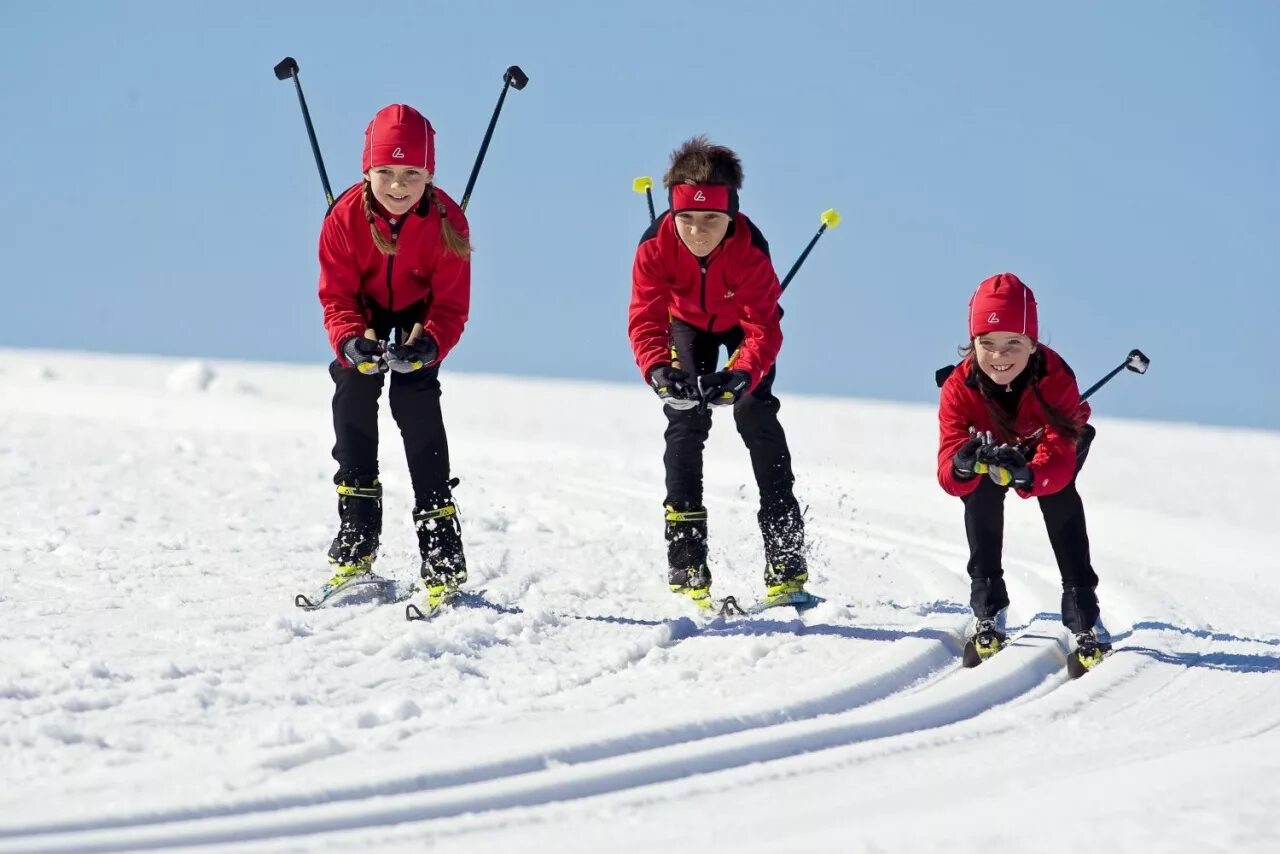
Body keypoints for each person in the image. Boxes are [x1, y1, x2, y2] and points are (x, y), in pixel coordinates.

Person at [627, 136, 808, 610]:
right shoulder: (654, 246)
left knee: (756, 416)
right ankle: (687, 558)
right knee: (685, 419)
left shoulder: (751, 250)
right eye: (686, 218)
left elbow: (763, 328)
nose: (698, 231)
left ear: (732, 214)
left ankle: (785, 559)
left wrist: (743, 373)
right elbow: (645, 319)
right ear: (671, 213)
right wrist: (657, 371)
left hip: (741, 329)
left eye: (711, 218)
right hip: (685, 325)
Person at [316, 103, 471, 608]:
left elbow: (450, 304)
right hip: (362, 317)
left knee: (416, 402)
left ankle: (441, 545)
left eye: (412, 173)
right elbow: (336, 296)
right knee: (353, 389)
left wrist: (429, 344)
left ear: (429, 174)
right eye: (386, 172)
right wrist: (348, 340)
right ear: (367, 170)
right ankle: (358, 533)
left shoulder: (449, 220)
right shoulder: (343, 216)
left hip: (418, 322)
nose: (398, 185)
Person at [936, 272, 1110, 671]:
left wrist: (1029, 475)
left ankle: (1084, 615)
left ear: (1033, 343)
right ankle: (988, 607)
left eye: (1013, 342)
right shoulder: (959, 387)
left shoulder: (1056, 378)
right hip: (994, 450)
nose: (1000, 356)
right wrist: (962, 465)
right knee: (977, 491)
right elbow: (947, 466)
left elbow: (1060, 457)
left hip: (1043, 454)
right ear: (973, 343)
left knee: (1059, 495)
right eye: (988, 344)